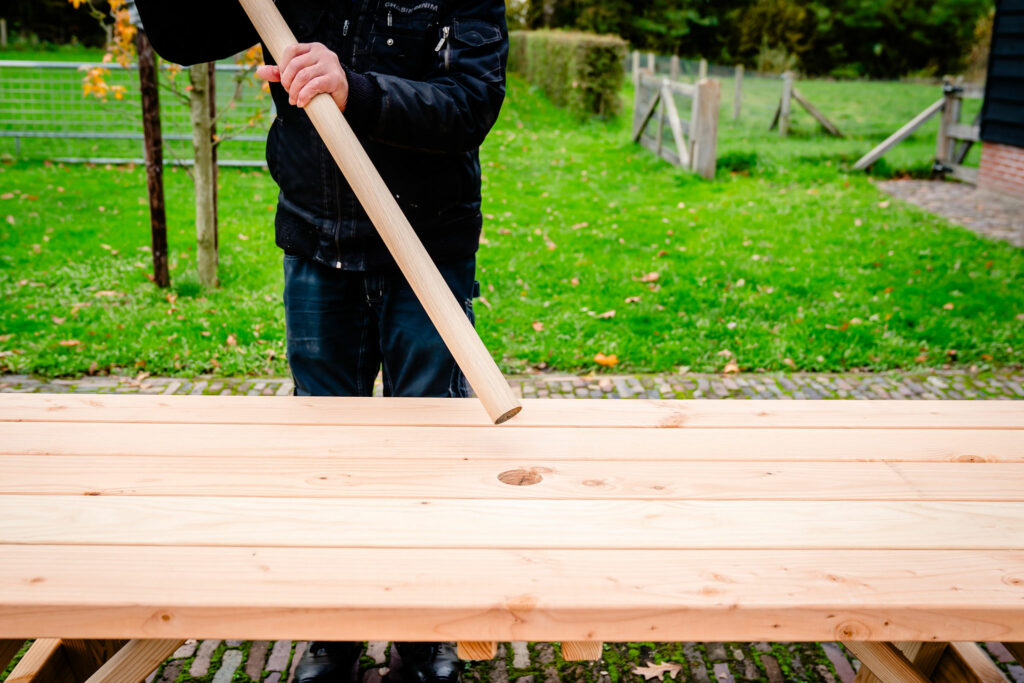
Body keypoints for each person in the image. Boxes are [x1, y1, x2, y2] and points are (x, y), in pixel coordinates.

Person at [134, 0, 508, 680]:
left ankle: (425, 639)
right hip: (317, 244)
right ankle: (334, 634)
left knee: (430, 456)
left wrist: (352, 88)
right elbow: (183, 36)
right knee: (326, 459)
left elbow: (470, 104)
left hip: (427, 248)